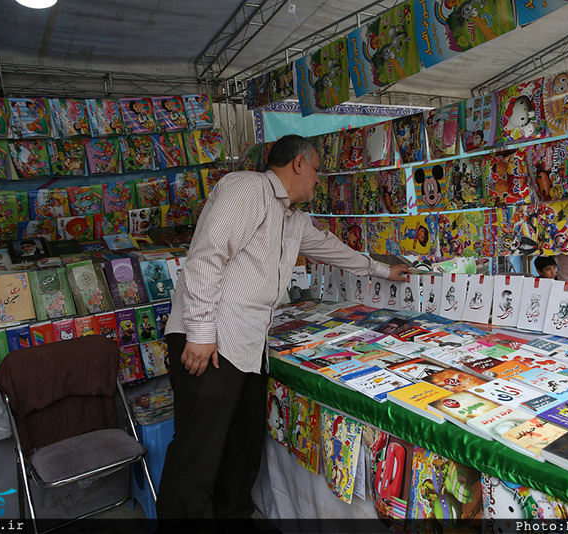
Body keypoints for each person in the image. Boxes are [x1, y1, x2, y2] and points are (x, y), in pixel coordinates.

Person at [157, 135, 409, 523]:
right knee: (197, 453)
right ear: (298, 164)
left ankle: (235, 519)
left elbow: (331, 249)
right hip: (211, 342)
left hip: (247, 348)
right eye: (317, 170)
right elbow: (206, 257)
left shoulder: (293, 219)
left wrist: (382, 270)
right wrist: (202, 333)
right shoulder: (248, 188)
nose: (318, 180)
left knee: (242, 449)